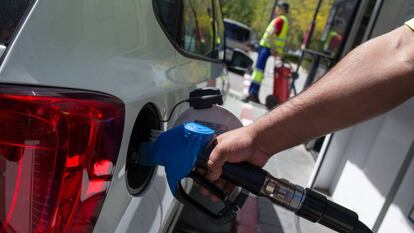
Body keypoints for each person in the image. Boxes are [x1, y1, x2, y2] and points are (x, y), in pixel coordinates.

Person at [205, 19, 414, 185]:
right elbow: (401, 52)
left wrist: (258, 140)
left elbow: (401, 53)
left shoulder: (280, 21)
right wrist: (258, 140)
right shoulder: (280, 21)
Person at [243, 2, 290, 104]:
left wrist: (273, 48)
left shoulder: (280, 20)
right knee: (259, 71)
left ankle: (252, 93)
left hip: (267, 48)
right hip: (268, 48)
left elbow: (271, 35)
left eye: (278, 7)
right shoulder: (283, 20)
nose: (276, 9)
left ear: (282, 9)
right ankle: (254, 94)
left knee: (258, 71)